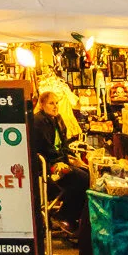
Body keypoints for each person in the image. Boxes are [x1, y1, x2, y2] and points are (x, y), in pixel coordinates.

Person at [29, 90, 91, 238]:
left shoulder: (58, 120)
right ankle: (65, 215)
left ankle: (73, 217)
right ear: (42, 104)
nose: (55, 106)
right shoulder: (38, 121)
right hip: (48, 165)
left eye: (56, 103)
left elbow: (64, 145)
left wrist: (74, 158)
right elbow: (46, 148)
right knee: (81, 178)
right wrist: (65, 160)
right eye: (51, 103)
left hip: (59, 160)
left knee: (88, 174)